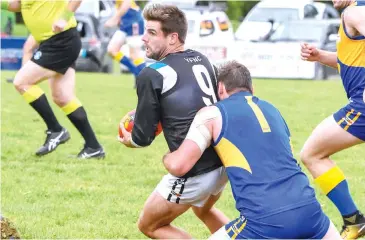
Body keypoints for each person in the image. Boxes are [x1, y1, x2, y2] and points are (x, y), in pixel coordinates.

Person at [162, 60, 341, 239]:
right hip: (311, 214)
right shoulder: (273, 110)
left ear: (221, 88)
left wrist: (167, 157)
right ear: (251, 88)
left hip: (264, 221)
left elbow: (179, 165)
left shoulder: (212, 113)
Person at [119, 3, 229, 238]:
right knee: (204, 211)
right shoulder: (202, 59)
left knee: (150, 225)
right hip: (222, 161)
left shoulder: (152, 74)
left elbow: (142, 139)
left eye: (151, 33)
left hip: (194, 169)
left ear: (173, 38)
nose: (143, 38)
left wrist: (131, 138)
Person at [1, 0, 105, 159]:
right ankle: (93, 147)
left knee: (21, 82)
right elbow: (18, 5)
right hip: (54, 42)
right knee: (62, 97)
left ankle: (56, 130)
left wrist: (64, 17)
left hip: (61, 41)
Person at [300, 0, 365, 238]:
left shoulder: (354, 11)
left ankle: (353, 220)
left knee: (312, 153)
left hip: (362, 107)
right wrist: (319, 56)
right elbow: (349, 60)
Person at [104, 0, 146, 86]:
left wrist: (114, 19)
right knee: (111, 50)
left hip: (134, 21)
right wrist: (119, 19)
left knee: (134, 54)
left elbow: (126, 4)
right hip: (124, 22)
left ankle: (145, 79)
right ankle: (137, 73)